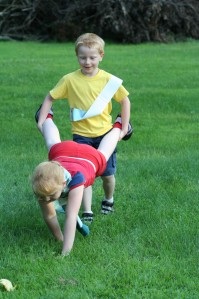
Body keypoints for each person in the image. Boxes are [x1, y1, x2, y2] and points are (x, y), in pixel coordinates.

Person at [36, 33, 131, 223]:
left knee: (108, 176)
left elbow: (125, 101)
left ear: (101, 56)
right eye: (83, 57)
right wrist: (41, 121)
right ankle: (87, 211)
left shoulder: (108, 81)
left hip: (104, 133)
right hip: (81, 136)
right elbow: (50, 97)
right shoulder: (69, 79)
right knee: (84, 175)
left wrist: (123, 128)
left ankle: (108, 198)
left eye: (92, 57)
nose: (87, 62)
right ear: (77, 56)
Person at [31, 115, 132, 256]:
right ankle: (45, 116)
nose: (48, 201)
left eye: (51, 197)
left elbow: (71, 216)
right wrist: (59, 238)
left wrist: (65, 252)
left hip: (90, 157)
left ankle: (119, 125)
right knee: (52, 144)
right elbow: (49, 216)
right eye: (44, 198)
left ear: (64, 183)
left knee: (104, 152)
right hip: (63, 151)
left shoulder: (77, 180)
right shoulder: (44, 186)